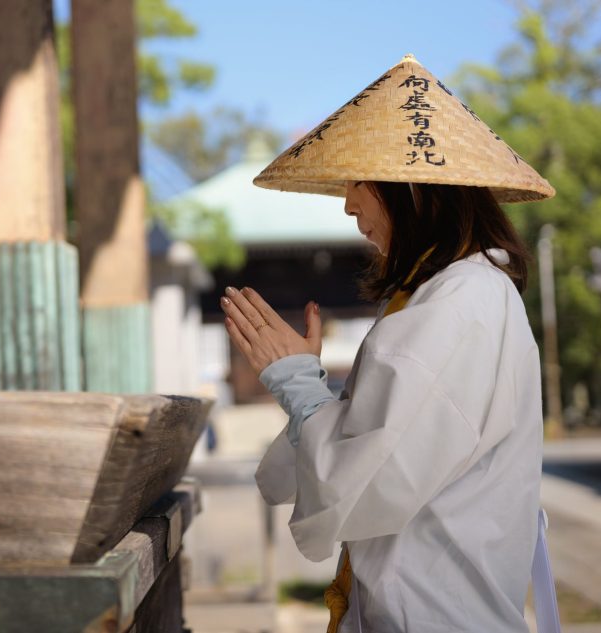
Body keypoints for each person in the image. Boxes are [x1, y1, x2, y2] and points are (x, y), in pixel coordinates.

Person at [221, 54, 559, 632]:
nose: (349, 203)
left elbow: (371, 480)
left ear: (411, 188)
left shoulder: (460, 302)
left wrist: (300, 385)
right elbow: (379, 446)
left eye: (359, 181)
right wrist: (308, 386)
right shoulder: (451, 298)